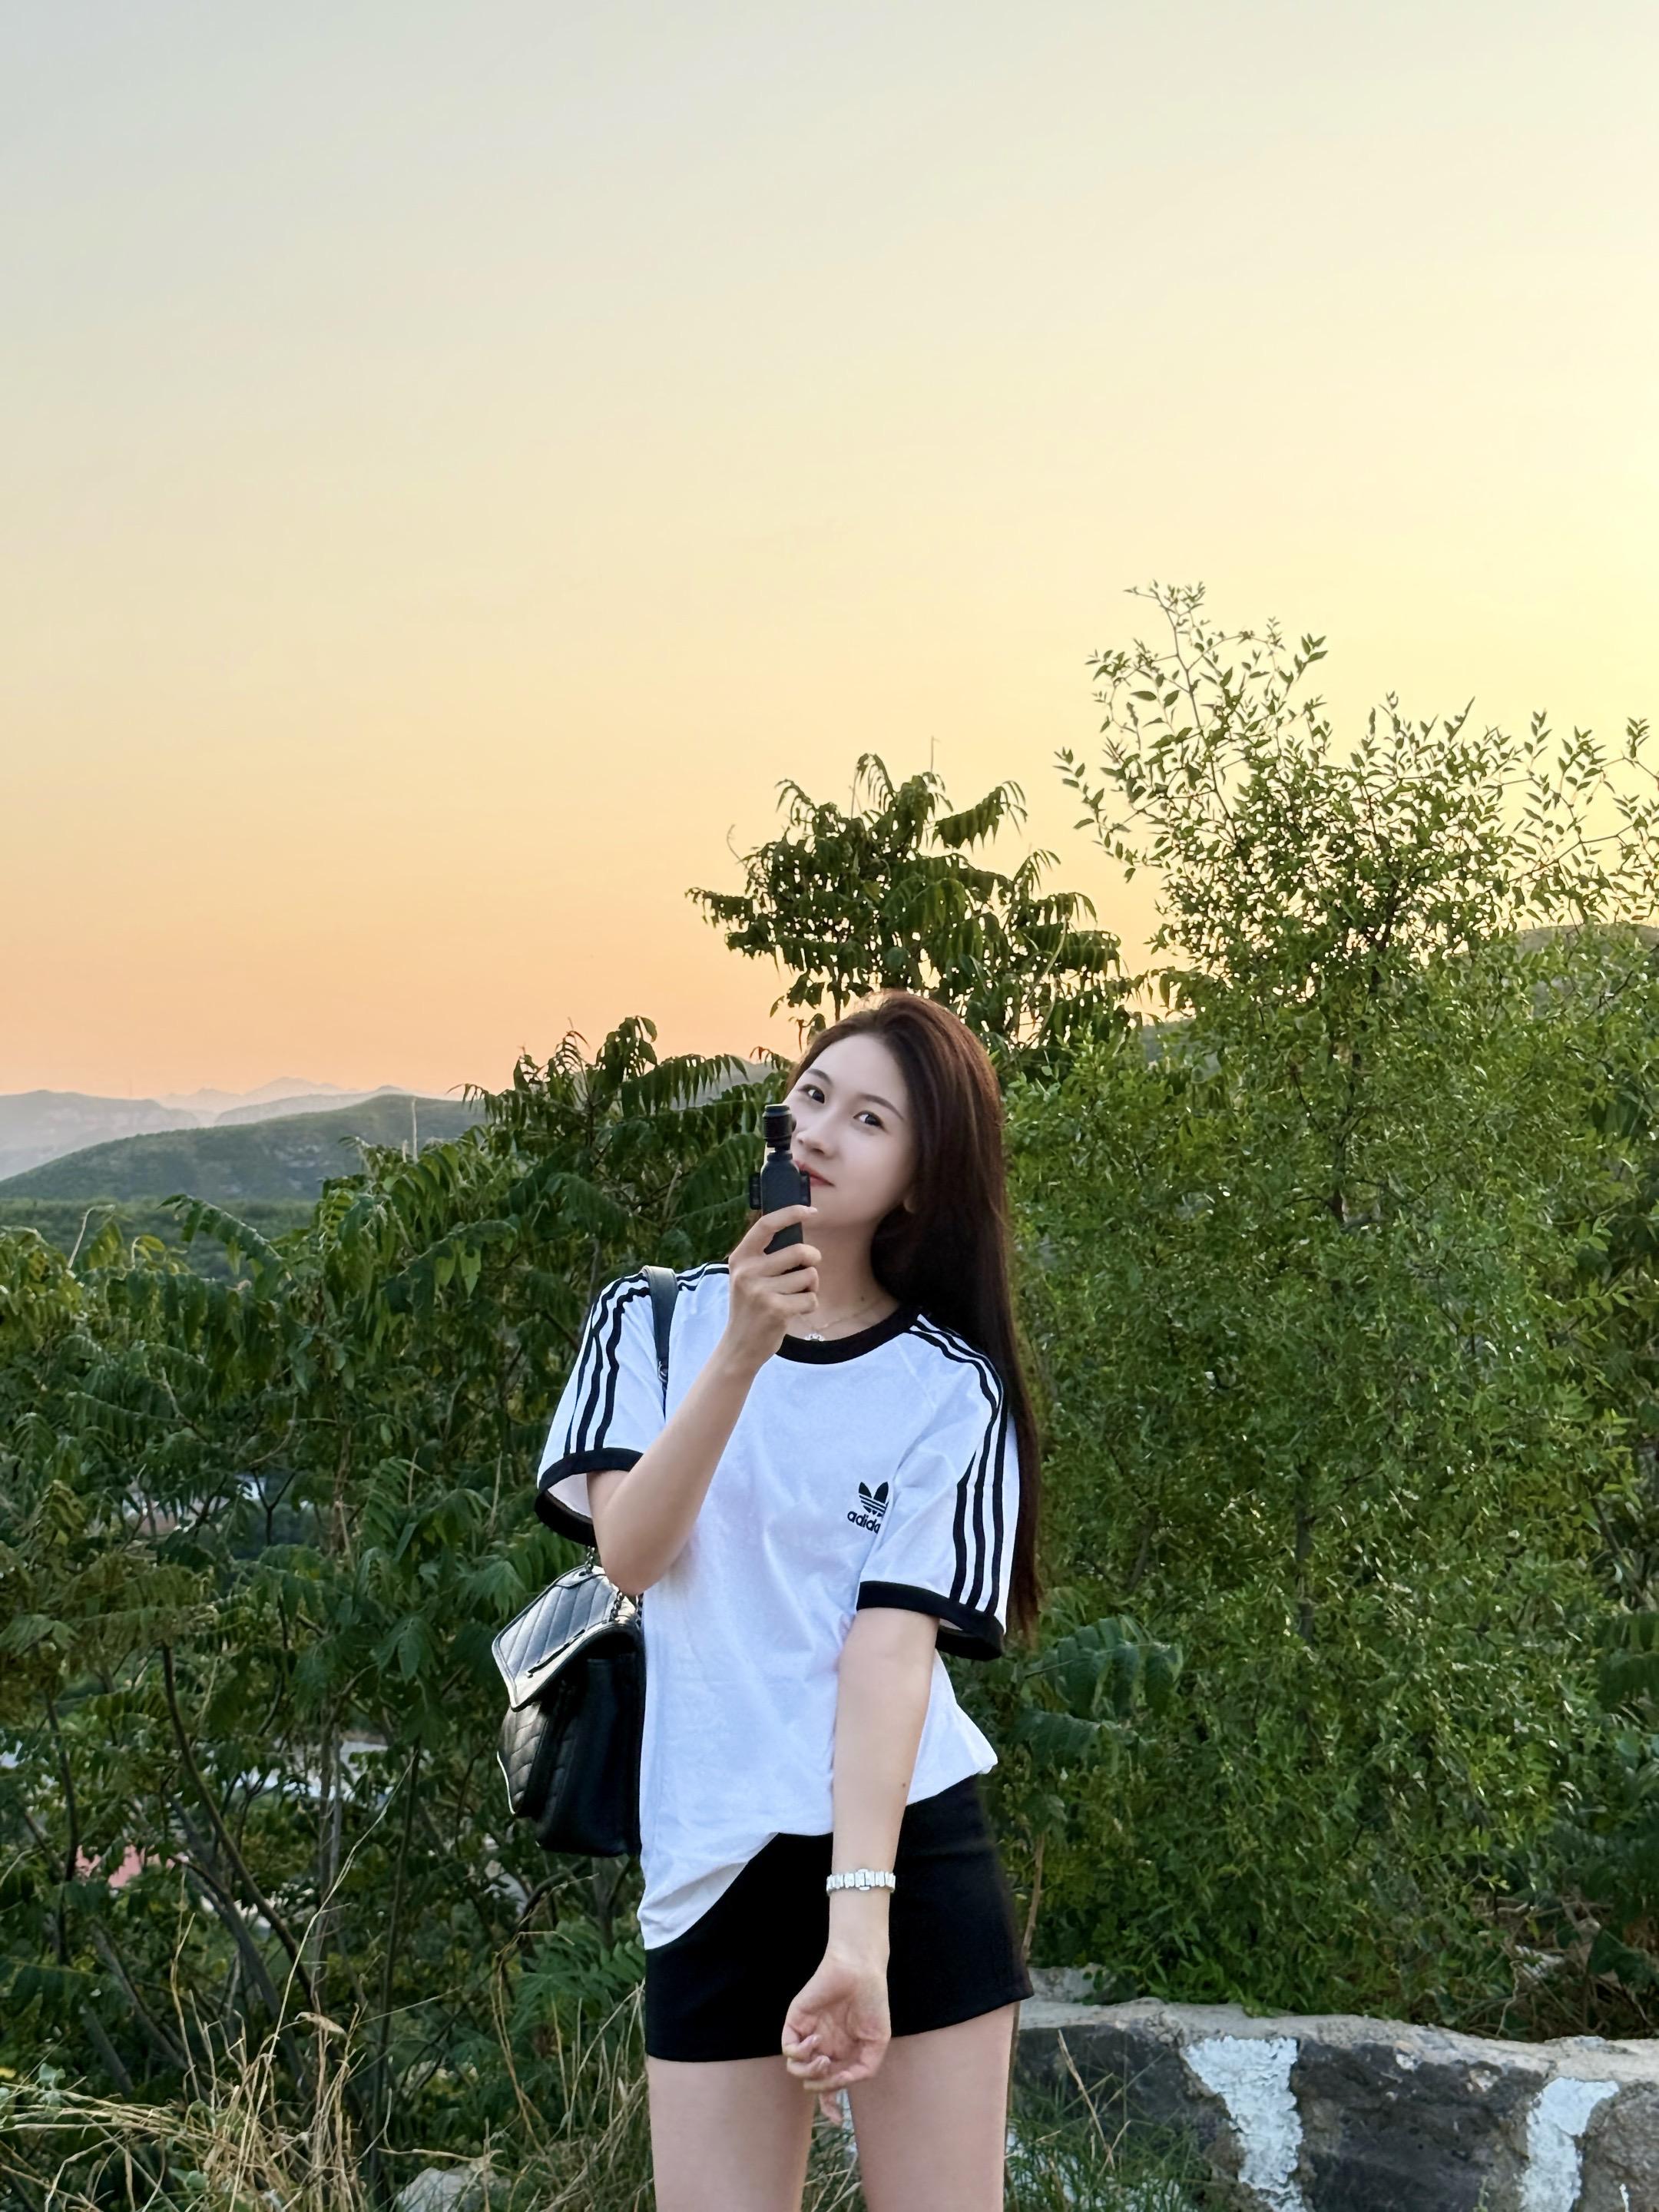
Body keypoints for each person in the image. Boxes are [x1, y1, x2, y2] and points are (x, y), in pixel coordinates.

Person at [533, 989, 1043, 2212]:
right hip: (712, 1859)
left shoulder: (948, 1389)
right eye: (813, 1096)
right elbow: (631, 1556)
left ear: (919, 1181)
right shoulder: (649, 1322)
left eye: (869, 1119)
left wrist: (859, 1925)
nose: (820, 1131)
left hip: (903, 1849)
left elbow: (888, 1653)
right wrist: (740, 1350)